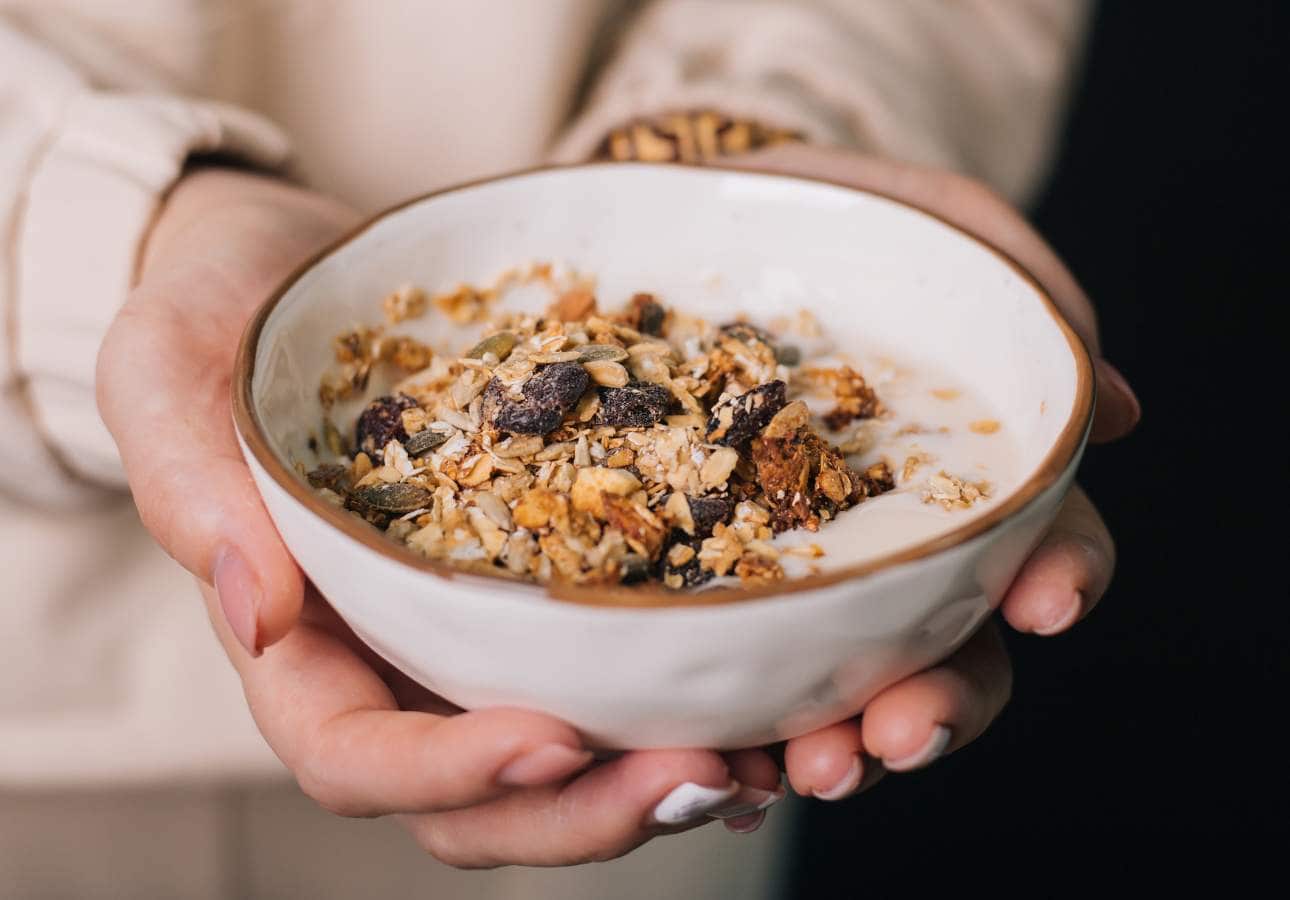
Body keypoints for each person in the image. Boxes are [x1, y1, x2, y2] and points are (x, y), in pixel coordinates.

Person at [0, 1, 1140, 895]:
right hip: (45, 730)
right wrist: (118, 225)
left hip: (689, 718)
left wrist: (753, 123)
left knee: (667, 808)